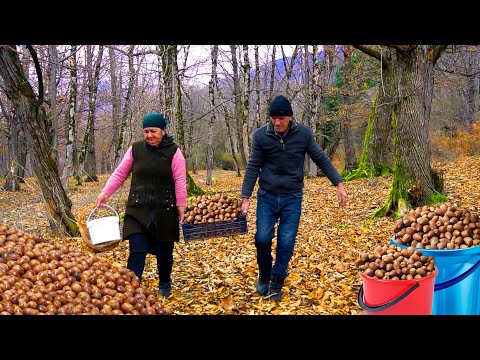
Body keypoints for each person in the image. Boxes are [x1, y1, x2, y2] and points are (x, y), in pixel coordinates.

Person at [241, 95, 348, 302]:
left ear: (290, 117)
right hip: (267, 196)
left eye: (281, 118)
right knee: (262, 239)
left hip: (292, 197)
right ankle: (264, 273)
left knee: (286, 241)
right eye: (274, 118)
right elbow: (253, 165)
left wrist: (338, 184)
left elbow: (320, 158)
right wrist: (245, 196)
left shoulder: (304, 135)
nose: (277, 122)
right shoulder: (261, 136)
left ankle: (277, 281)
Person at [95, 112, 187, 298]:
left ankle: (164, 283)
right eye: (146, 131)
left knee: (164, 253)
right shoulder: (136, 149)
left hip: (165, 210)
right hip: (138, 210)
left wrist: (181, 204)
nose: (149, 135)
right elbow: (120, 173)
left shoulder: (174, 152)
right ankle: (132, 288)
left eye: (153, 131)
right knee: (136, 249)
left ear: (163, 131)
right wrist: (105, 193)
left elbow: (179, 179)